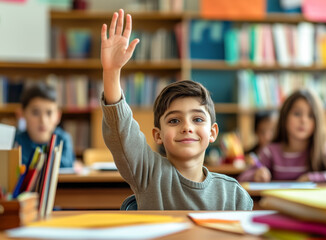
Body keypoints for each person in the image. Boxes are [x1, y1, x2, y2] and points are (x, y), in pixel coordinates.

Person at [100, 9, 253, 210]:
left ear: (213, 132)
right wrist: (112, 72)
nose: (187, 127)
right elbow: (121, 130)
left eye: (197, 119)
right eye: (174, 120)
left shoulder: (234, 195)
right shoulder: (149, 173)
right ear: (158, 135)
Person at [237, 89, 326, 183]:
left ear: (317, 122)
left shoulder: (322, 150)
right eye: (297, 114)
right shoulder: (271, 152)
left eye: (310, 115)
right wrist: (256, 175)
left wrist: (312, 178)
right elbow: (242, 178)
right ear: (285, 116)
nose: (304, 120)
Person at [14, 82, 75, 168]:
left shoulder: (63, 139)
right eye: (35, 112)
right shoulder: (16, 141)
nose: (43, 120)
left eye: (49, 113)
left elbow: (66, 165)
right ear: (21, 114)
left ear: (58, 116)